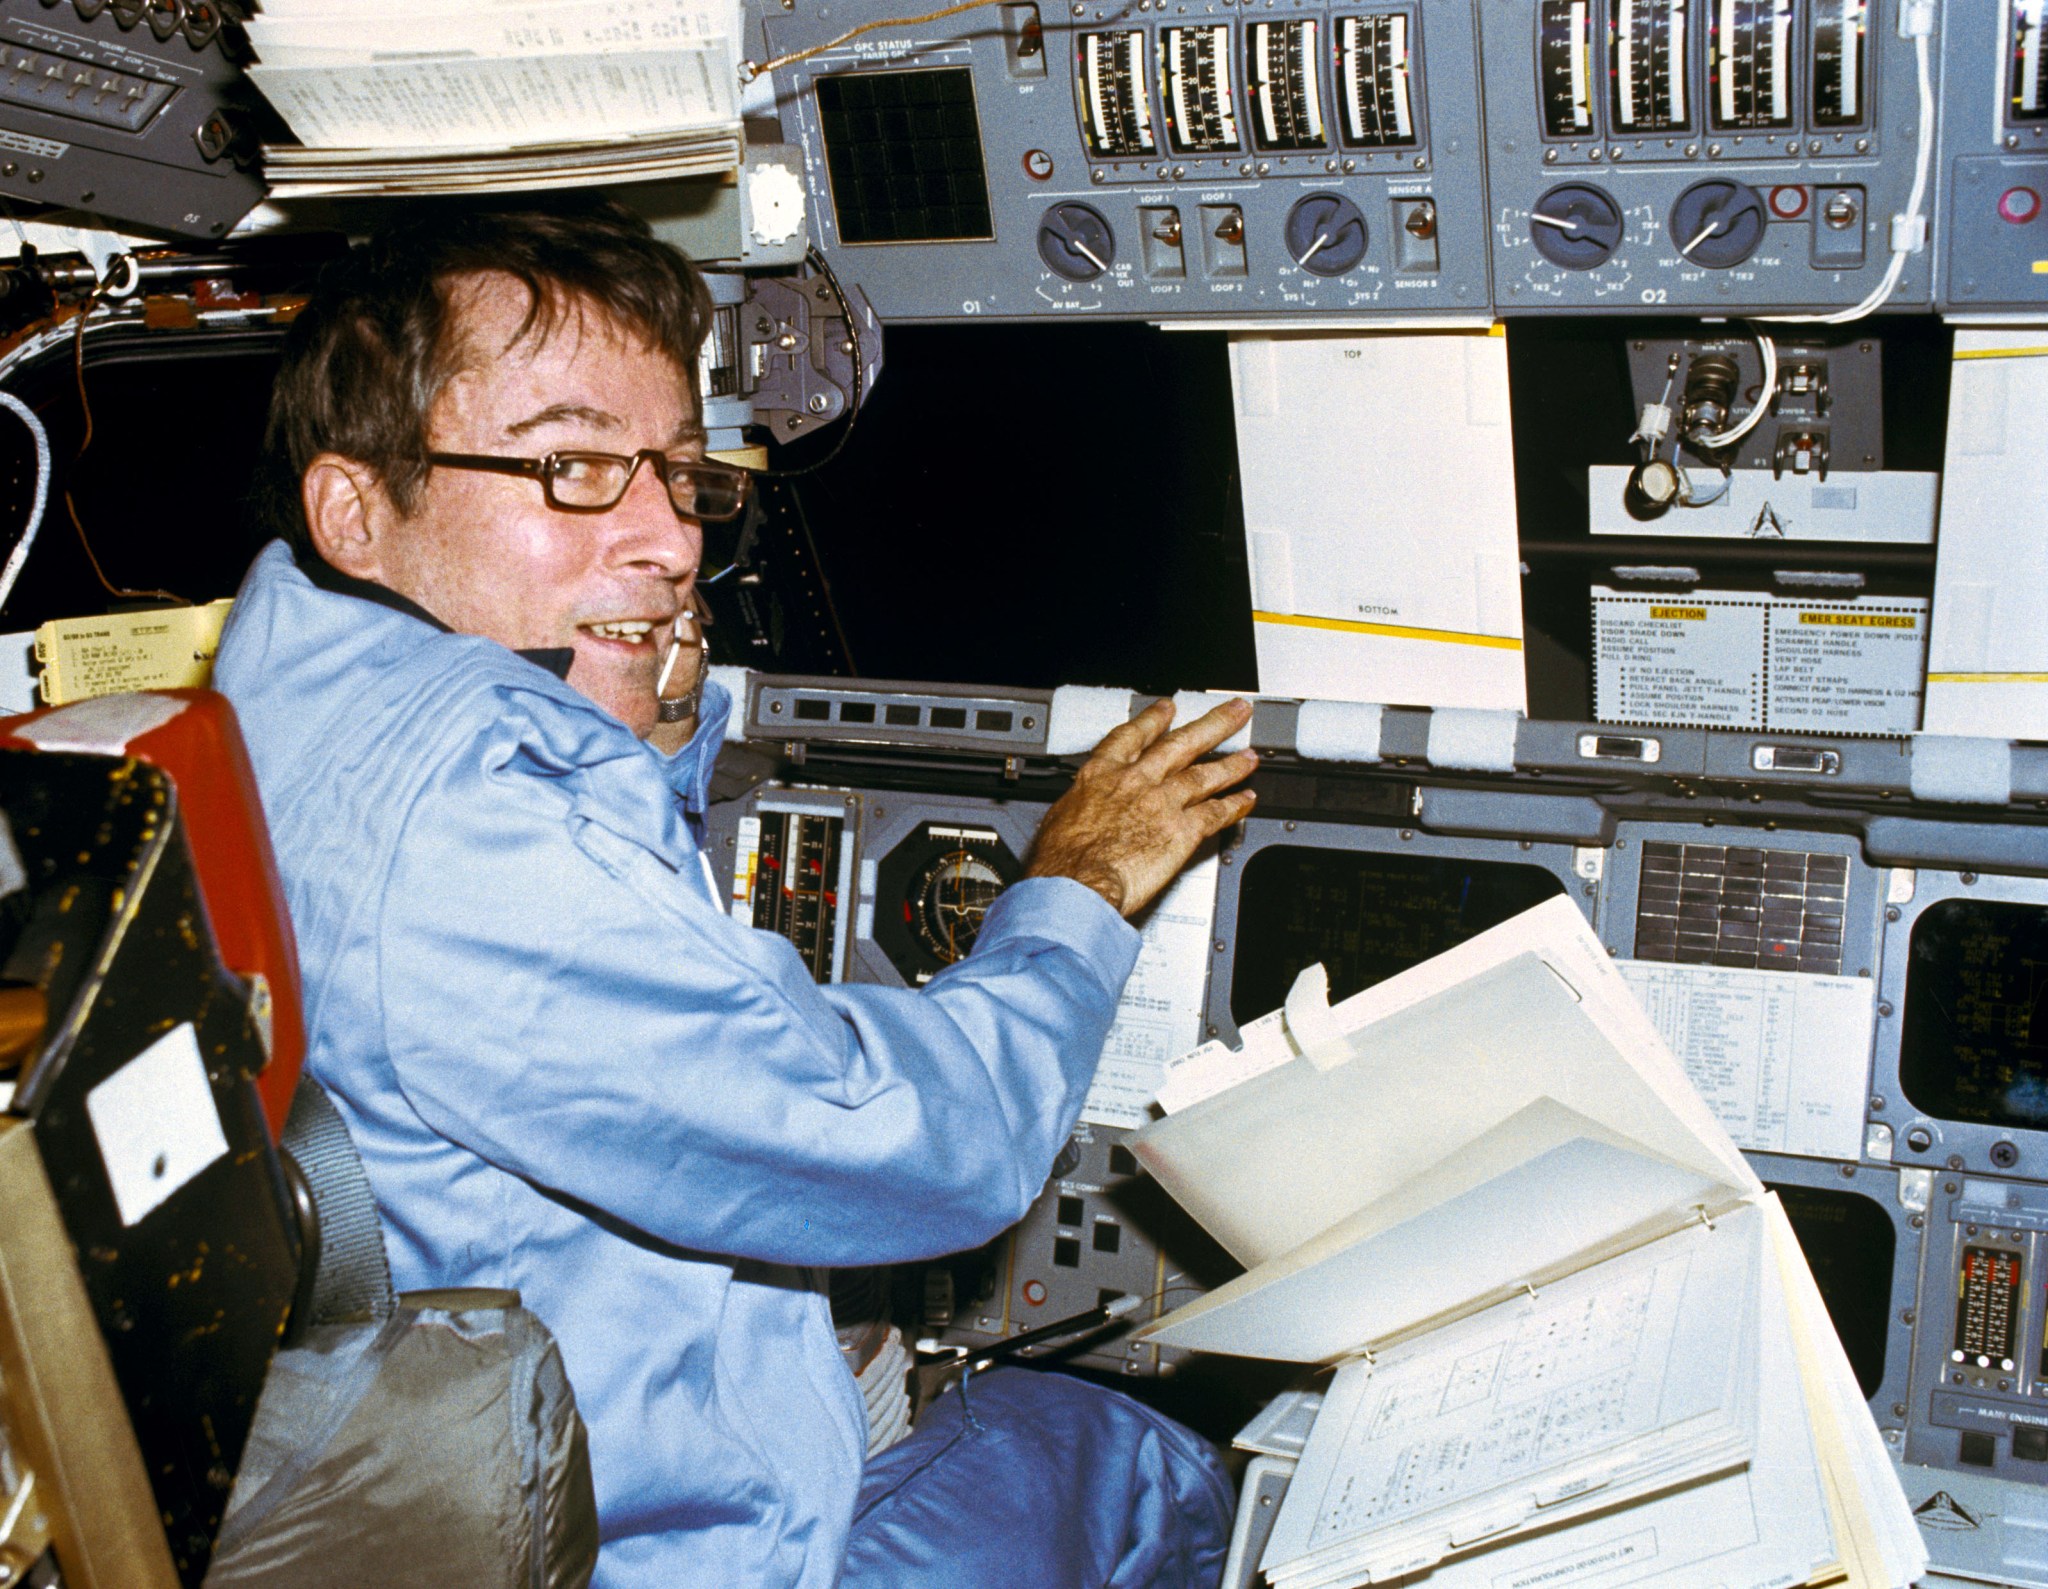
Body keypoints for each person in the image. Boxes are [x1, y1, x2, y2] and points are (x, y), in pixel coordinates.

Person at [214, 200, 1257, 1588]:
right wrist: (1078, 883)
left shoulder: (279, 711)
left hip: (447, 1481)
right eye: (575, 466)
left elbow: (580, 898)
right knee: (1114, 1445)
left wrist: (651, 729)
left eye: (679, 473)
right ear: (356, 506)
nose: (667, 539)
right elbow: (919, 1142)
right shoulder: (471, 836)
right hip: (652, 1558)